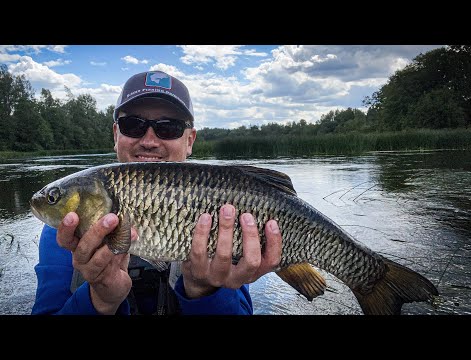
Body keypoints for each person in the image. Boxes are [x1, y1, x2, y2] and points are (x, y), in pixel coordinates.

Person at [31, 70, 283, 315]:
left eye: (168, 127)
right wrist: (101, 301)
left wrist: (204, 291)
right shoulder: (65, 229)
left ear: (190, 140)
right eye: (133, 125)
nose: (149, 140)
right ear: (116, 134)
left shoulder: (223, 202)